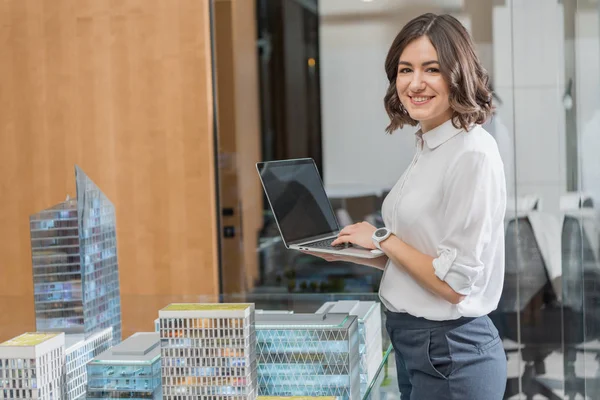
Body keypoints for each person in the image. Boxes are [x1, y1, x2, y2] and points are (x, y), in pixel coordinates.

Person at [306, 13, 507, 399]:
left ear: (457, 74)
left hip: (452, 354)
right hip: (416, 343)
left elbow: (452, 285)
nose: (415, 83)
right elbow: (426, 260)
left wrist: (380, 237)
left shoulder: (472, 154)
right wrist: (355, 254)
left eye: (431, 69)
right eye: (405, 69)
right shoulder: (429, 145)